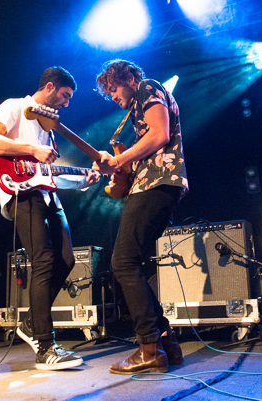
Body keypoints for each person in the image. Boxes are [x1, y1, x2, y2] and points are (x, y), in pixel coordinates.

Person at [0, 66, 99, 370]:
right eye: (65, 95)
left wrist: (84, 181)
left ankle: (32, 323)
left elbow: (49, 174)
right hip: (21, 192)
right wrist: (32, 148)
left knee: (66, 260)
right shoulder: (14, 106)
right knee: (43, 260)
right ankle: (45, 347)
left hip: (46, 194)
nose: (67, 103)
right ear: (49, 86)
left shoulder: (49, 129)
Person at [92, 59, 187, 375]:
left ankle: (149, 349)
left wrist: (120, 160)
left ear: (130, 78)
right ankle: (167, 344)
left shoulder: (148, 87)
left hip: (157, 183)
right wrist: (113, 167)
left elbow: (159, 135)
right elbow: (143, 151)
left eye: (114, 88)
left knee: (122, 262)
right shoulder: (137, 109)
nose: (112, 96)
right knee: (129, 262)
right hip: (155, 183)